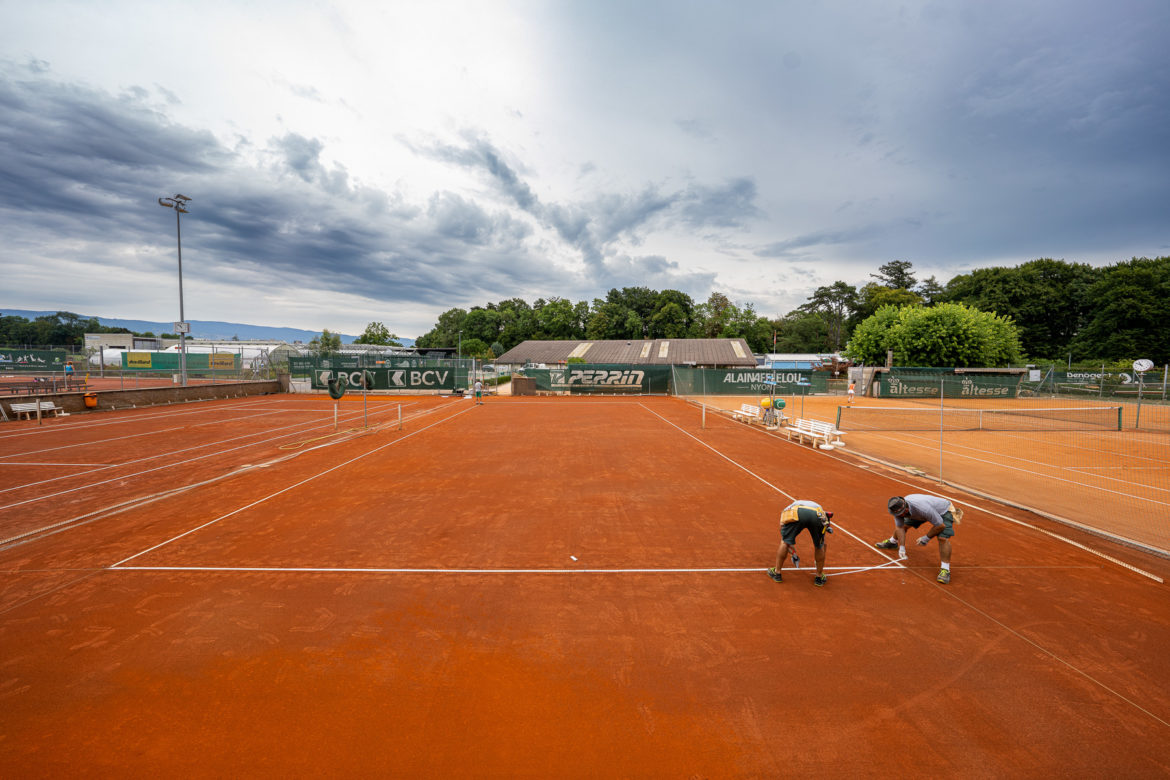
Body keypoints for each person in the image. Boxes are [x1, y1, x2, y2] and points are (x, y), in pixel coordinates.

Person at [875, 494, 964, 584]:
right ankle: (893, 542)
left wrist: (926, 538)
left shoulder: (923, 509)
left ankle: (945, 570)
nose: (899, 515)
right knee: (904, 525)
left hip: (943, 511)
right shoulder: (896, 508)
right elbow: (900, 527)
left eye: (900, 513)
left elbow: (940, 526)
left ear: (905, 508)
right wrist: (902, 547)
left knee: (942, 538)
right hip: (919, 513)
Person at [767, 499, 832, 587]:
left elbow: (782, 528)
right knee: (819, 546)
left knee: (784, 542)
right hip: (817, 515)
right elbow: (825, 526)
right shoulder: (821, 510)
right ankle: (819, 577)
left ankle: (777, 573)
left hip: (798, 512)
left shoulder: (787, 510)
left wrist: (787, 542)